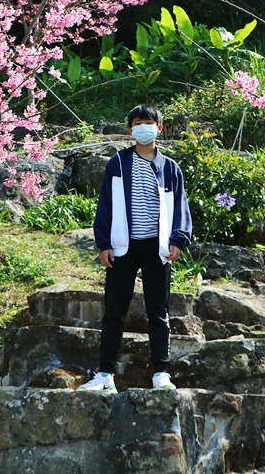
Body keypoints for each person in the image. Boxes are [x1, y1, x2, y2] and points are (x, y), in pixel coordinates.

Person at [79, 104, 193, 393]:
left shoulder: (170, 168)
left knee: (159, 311)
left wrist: (178, 239)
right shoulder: (117, 163)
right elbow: (105, 204)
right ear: (130, 129)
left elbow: (180, 206)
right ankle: (105, 374)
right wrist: (104, 242)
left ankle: (161, 374)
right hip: (122, 247)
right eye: (138, 122)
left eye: (149, 122)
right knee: (114, 311)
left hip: (158, 249)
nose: (144, 127)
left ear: (160, 128)